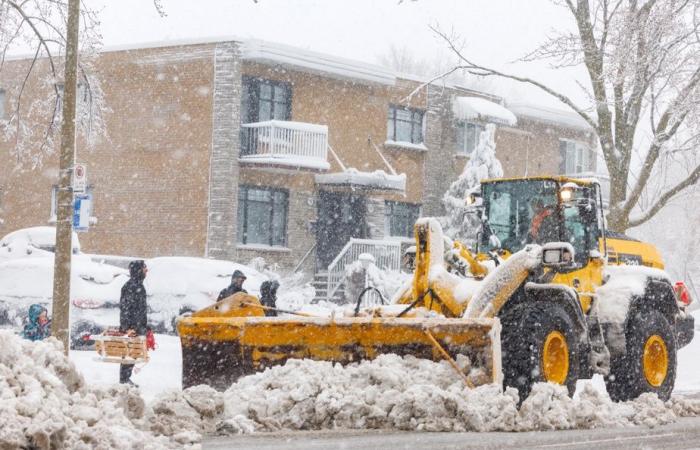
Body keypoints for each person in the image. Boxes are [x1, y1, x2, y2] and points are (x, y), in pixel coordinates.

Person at [119, 260, 148, 385]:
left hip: (135, 326)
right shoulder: (133, 287)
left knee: (133, 353)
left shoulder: (136, 285)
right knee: (130, 352)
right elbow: (127, 309)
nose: (146, 270)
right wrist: (130, 327)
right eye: (144, 268)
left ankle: (125, 378)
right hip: (132, 328)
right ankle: (124, 379)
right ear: (138, 270)